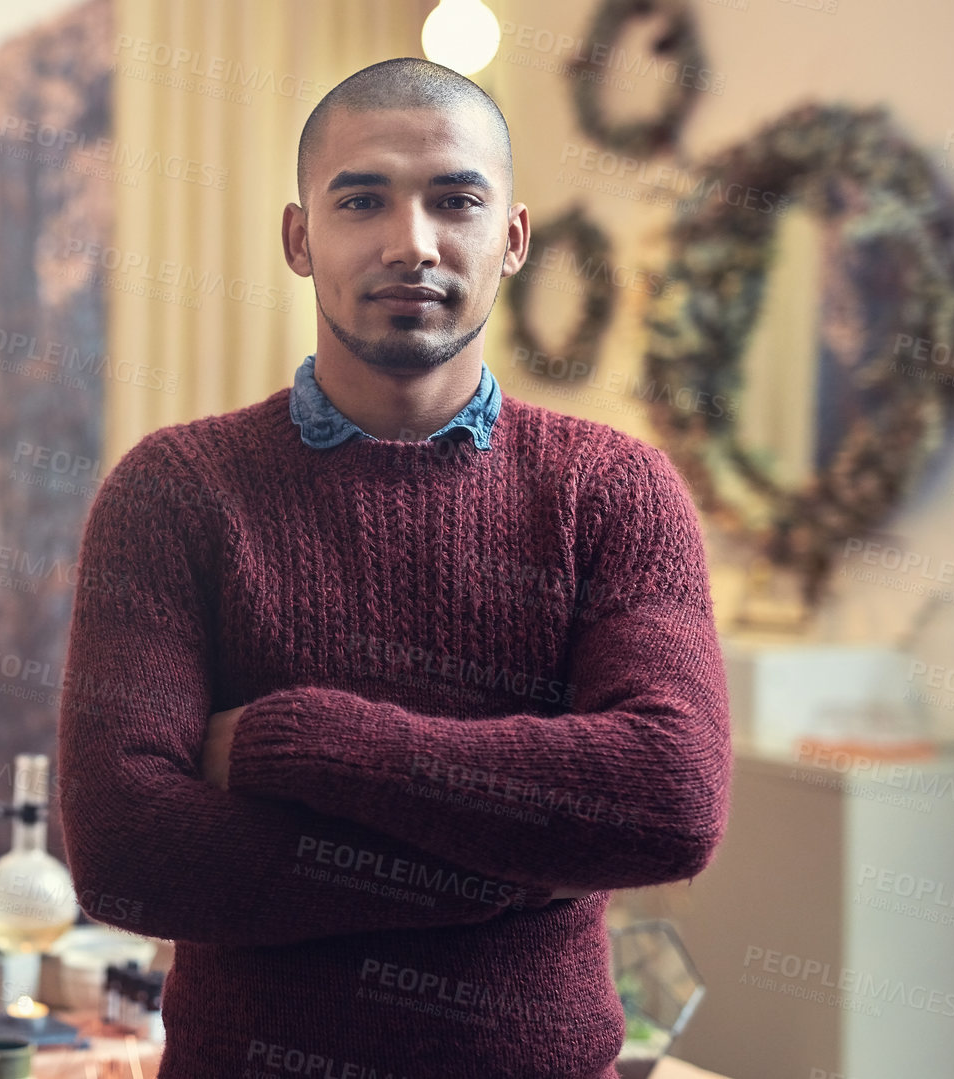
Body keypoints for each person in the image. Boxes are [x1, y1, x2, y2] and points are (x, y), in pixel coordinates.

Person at [55, 58, 730, 1078]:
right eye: (362, 198)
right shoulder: (173, 493)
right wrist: (528, 856)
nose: (410, 241)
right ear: (299, 237)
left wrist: (301, 744)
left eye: (454, 199)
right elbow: (129, 855)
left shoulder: (617, 492)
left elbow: (670, 799)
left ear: (511, 238)